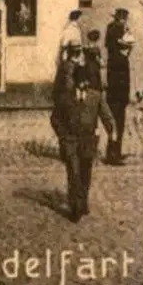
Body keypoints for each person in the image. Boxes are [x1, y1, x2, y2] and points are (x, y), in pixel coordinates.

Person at [50, 41, 116, 221]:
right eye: (80, 84)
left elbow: (106, 114)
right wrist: (62, 136)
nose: (83, 87)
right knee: (73, 172)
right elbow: (55, 118)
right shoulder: (66, 97)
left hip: (88, 140)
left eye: (85, 84)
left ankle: (83, 200)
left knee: (86, 172)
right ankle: (75, 207)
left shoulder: (95, 97)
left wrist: (112, 131)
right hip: (70, 139)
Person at [103, 10, 134, 165]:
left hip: (116, 94)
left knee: (117, 123)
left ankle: (116, 151)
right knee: (117, 123)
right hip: (118, 95)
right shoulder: (119, 59)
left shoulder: (113, 56)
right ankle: (112, 154)